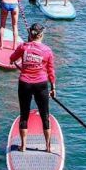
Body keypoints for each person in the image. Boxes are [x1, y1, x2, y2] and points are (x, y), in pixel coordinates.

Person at [9, 23, 57, 153]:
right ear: (41, 35)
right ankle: (48, 147)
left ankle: (23, 146)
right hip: (41, 85)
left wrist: (15, 60)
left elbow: (12, 58)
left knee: (24, 115)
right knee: (45, 115)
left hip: (24, 84)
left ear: (30, 34)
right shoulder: (47, 50)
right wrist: (53, 88)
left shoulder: (23, 47)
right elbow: (51, 71)